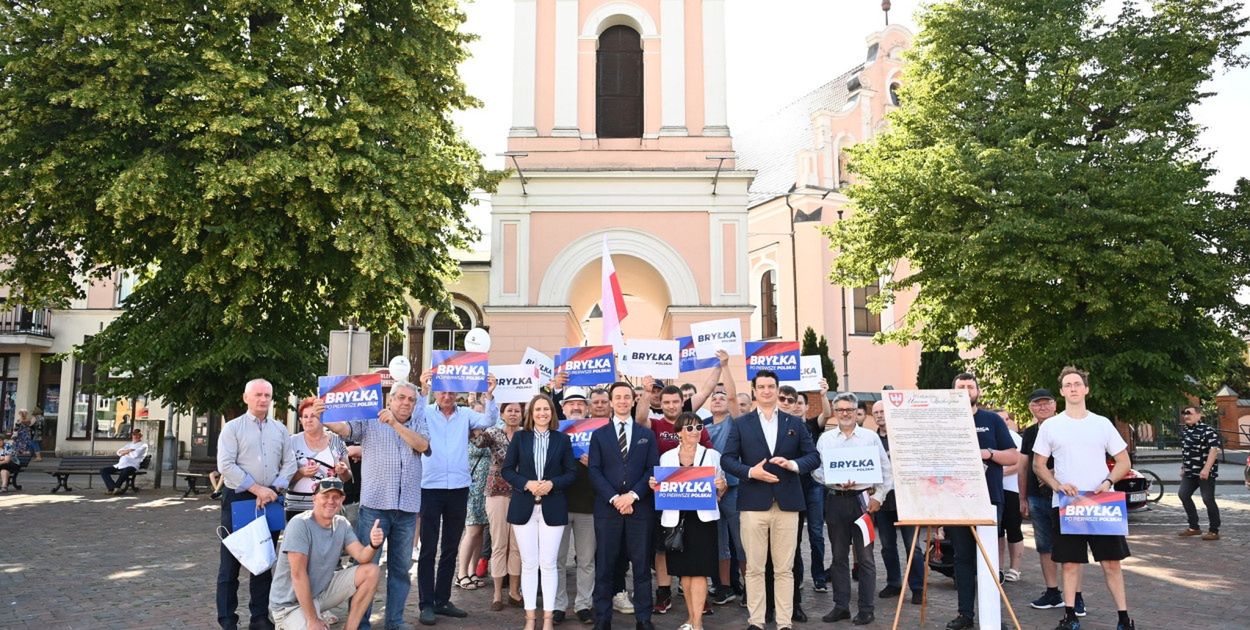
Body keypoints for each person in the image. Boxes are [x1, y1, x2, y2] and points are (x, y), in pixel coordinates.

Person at [1032, 367, 1135, 630]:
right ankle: (1070, 616)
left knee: (1111, 563)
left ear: (1086, 389)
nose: (1073, 388)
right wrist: (1057, 485)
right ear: (1062, 391)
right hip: (1068, 505)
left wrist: (1108, 481)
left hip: (1102, 504)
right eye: (1068, 385)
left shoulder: (1101, 423)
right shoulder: (1051, 426)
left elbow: (1124, 461)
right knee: (1070, 564)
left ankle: (1124, 619)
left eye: (1078, 384)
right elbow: (1038, 465)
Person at [323, 381, 430, 630]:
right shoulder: (370, 419)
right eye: (400, 397)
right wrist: (324, 416)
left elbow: (423, 446)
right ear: (389, 400)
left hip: (407, 507)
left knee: (401, 569)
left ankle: (394, 621)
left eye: (410, 400)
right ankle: (360, 623)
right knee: (365, 566)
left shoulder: (419, 422)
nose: (405, 403)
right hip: (375, 507)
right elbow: (344, 429)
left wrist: (394, 424)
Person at [721, 369, 821, 630]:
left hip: (788, 504)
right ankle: (756, 621)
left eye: (771, 386)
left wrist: (793, 464)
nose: (766, 390)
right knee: (754, 568)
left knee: (784, 569)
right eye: (761, 386)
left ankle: (784, 623)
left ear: (778, 390)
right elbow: (727, 459)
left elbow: (813, 457)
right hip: (753, 504)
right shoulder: (741, 423)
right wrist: (751, 471)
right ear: (754, 390)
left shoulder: (795, 424)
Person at [414, 370, 501, 625]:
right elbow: (414, 415)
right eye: (443, 391)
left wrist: (490, 394)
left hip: (459, 488)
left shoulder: (465, 415)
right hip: (430, 487)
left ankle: (442, 600)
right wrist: (423, 388)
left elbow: (488, 419)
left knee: (450, 547)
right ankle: (425, 603)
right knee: (429, 549)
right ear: (437, 393)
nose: (448, 396)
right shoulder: (427, 412)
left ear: (458, 394)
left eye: (452, 392)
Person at [217, 378, 298, 630]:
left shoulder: (280, 429)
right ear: (246, 398)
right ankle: (228, 619)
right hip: (239, 499)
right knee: (231, 563)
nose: (263, 399)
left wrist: (273, 489)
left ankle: (259, 617)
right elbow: (226, 465)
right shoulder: (232, 428)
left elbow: (290, 463)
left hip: (270, 500)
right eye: (258, 395)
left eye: (267, 395)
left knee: (263, 560)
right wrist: (256, 488)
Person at [944, 373, 1017, 630]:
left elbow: (1013, 457)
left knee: (988, 560)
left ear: (978, 391)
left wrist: (987, 453)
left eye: (970, 386)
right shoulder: (944, 421)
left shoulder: (992, 420)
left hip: (989, 499)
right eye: (960, 386)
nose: (965, 390)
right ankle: (965, 614)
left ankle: (993, 616)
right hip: (955, 502)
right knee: (962, 559)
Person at [813, 392, 891, 626]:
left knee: (866, 558)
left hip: (862, 502)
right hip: (836, 501)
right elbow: (816, 470)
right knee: (838, 557)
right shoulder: (826, 440)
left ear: (857, 412)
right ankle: (841, 606)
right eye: (840, 410)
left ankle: (866, 609)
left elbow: (886, 471)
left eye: (849, 409)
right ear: (835, 413)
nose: (845, 413)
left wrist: (879, 496)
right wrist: (834, 481)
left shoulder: (869, 438)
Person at [588, 381, 660, 630]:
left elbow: (652, 469)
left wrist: (632, 496)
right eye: (617, 397)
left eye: (626, 397)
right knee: (605, 566)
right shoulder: (599, 435)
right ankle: (603, 618)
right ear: (610, 401)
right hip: (608, 510)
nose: (621, 401)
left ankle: (643, 618)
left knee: (641, 567)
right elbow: (594, 471)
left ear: (633, 400)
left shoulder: (646, 435)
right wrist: (615, 499)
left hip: (639, 509)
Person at [502, 394, 578, 630]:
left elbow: (571, 473)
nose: (542, 413)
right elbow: (507, 470)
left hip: (552, 507)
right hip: (524, 507)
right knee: (529, 563)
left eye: (546, 409)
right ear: (531, 413)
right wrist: (527, 483)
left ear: (552, 413)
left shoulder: (562, 440)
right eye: (538, 409)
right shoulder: (520, 438)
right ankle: (529, 619)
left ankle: (547, 620)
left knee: (548, 563)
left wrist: (552, 484)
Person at [268, 478, 382, 630]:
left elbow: (362, 556)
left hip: (319, 593)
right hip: (289, 606)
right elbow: (298, 574)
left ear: (342, 500)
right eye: (325, 496)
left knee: (372, 571)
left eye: (336, 497)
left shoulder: (341, 523)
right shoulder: (299, 524)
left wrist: (373, 544)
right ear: (314, 498)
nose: (331, 501)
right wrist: (313, 619)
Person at [649, 412, 726, 630]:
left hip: (702, 519)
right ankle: (690, 619)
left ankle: (698, 623)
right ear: (679, 433)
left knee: (699, 570)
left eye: (699, 427)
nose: (695, 432)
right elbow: (661, 488)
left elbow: (723, 487)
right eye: (690, 428)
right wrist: (655, 484)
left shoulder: (712, 455)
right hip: (676, 520)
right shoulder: (667, 458)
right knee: (684, 572)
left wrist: (721, 486)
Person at [1019, 389, 1075, 612]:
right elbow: (1024, 466)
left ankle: (1076, 596)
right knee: (1044, 547)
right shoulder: (1030, 432)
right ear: (1030, 408)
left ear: (1055, 405)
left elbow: (1078, 457)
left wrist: (1052, 473)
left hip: (1065, 497)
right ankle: (1052, 592)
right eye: (1037, 404)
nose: (1042, 407)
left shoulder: (1068, 426)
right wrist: (1022, 497)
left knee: (1071, 547)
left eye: (1046, 403)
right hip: (1036, 497)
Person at [551, 387, 600, 624]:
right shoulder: (553, 433)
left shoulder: (599, 433)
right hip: (558, 505)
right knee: (557, 560)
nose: (576, 407)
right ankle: (558, 605)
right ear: (563, 407)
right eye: (571, 403)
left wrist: (596, 464)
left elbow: (610, 468)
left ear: (588, 407)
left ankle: (583, 605)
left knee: (587, 560)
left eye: (581, 403)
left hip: (588, 506)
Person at [470, 402, 525, 610]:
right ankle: (496, 595)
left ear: (522, 414)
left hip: (521, 493)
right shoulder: (493, 432)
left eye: (517, 411)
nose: (513, 414)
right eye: (509, 410)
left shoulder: (527, 434)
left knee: (517, 545)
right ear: (502, 414)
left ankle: (513, 591)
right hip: (496, 492)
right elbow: (476, 440)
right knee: (499, 543)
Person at [868, 400, 924, 603]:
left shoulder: (905, 438)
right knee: (887, 545)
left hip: (907, 500)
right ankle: (894, 583)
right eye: (876, 412)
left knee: (913, 546)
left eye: (883, 410)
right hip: (882, 501)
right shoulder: (871, 440)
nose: (880, 415)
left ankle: (917, 587)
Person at [703, 388, 742, 607]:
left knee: (741, 542)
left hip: (734, 490)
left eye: (722, 398)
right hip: (710, 492)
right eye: (714, 398)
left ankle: (750, 588)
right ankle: (724, 588)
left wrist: (724, 365)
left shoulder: (734, 423)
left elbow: (734, 400)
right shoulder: (703, 428)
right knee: (720, 544)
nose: (718, 400)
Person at [286, 398, 351, 519]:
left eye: (313, 416)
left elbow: (348, 477)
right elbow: (282, 479)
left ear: (323, 419)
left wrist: (344, 471)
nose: (308, 420)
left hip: (328, 508)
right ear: (300, 420)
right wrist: (300, 473)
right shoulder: (291, 442)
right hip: (296, 509)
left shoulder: (336, 440)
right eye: (305, 417)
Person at [1177, 404, 1222, 541]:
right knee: (1183, 494)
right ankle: (1194, 527)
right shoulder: (1185, 431)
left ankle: (1214, 530)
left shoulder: (1208, 431)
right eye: (1184, 414)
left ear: (1198, 415)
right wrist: (1184, 467)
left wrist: (1206, 469)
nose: (1186, 416)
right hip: (1190, 472)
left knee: (1207, 499)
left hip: (1205, 472)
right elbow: (1186, 451)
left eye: (1189, 413)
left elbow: (1214, 450)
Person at [454, 429, 491, 591]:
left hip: (486, 491)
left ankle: (472, 571)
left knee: (480, 531)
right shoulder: (462, 438)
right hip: (472, 490)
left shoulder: (488, 435)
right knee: (471, 532)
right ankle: (461, 573)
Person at [999, 416, 1025, 581]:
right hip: (994, 490)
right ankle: (998, 568)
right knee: (997, 531)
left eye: (1006, 419)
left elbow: (1020, 463)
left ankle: (1015, 569)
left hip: (1012, 490)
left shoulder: (1014, 437)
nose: (1004, 422)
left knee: (1014, 530)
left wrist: (1000, 473)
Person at [100, 428, 148, 495]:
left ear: (141, 435)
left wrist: (124, 452)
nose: (136, 436)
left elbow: (135, 455)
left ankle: (116, 487)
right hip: (120, 465)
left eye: (138, 435)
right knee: (103, 470)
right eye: (134, 434)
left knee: (126, 470)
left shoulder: (143, 445)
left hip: (132, 466)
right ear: (132, 435)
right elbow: (118, 452)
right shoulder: (129, 444)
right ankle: (113, 488)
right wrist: (128, 450)